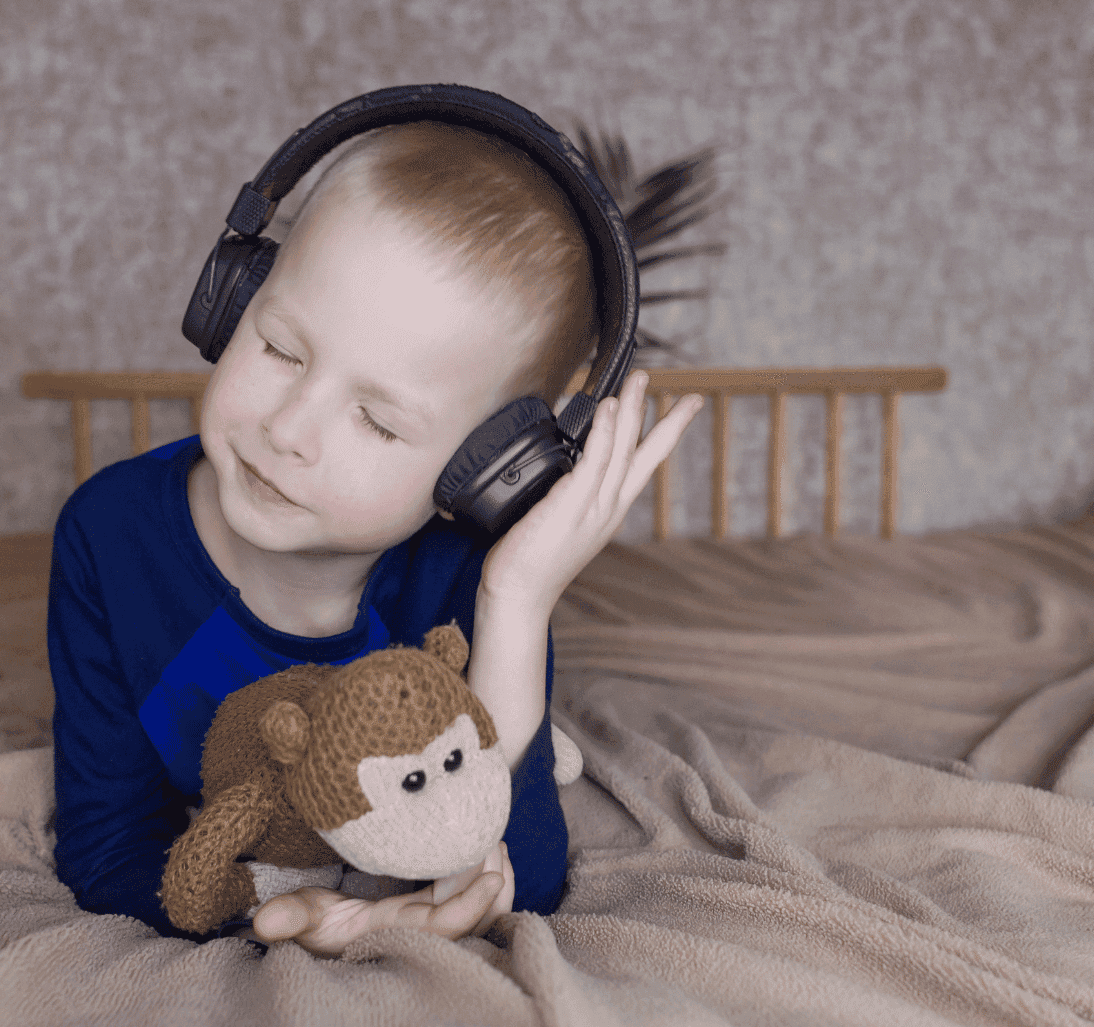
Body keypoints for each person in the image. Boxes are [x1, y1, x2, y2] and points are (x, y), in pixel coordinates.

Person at [48, 114, 703, 956]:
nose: (291, 429)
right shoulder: (109, 536)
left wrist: (517, 601)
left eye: (379, 423)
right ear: (231, 301)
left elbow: (525, 875)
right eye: (281, 348)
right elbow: (107, 850)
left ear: (488, 472)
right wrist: (285, 918)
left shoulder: (471, 578)